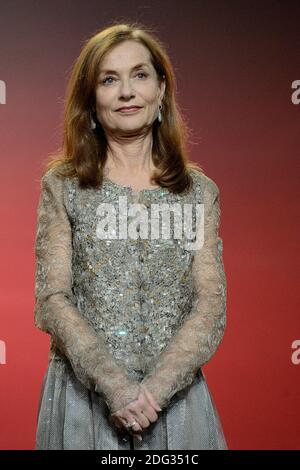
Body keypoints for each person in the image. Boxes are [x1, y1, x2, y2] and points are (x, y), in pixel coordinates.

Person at [34, 22, 228, 450]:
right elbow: (52, 299)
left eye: (139, 75)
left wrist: (154, 393)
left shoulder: (199, 193)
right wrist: (116, 387)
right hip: (85, 404)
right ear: (91, 99)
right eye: (109, 79)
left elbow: (211, 304)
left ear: (161, 90)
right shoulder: (63, 186)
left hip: (176, 405)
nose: (126, 92)